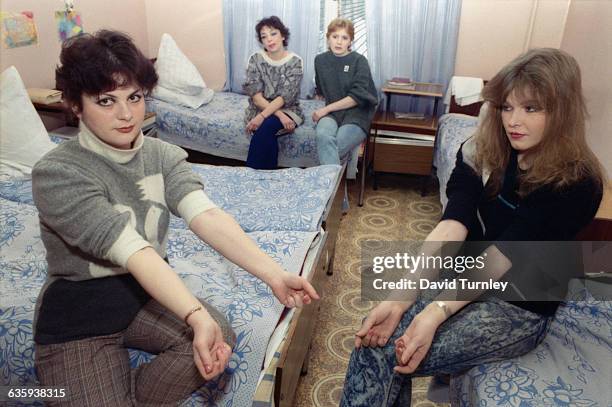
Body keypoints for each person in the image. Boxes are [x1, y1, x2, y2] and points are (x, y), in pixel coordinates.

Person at [31, 30, 318, 406]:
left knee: (218, 336)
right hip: (79, 319)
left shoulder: (161, 155)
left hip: (140, 296)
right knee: (202, 326)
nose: (126, 114)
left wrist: (273, 273)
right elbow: (134, 250)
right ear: (75, 105)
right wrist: (195, 313)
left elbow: (207, 216)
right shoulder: (58, 173)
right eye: (106, 101)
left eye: (134, 97)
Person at [340, 48, 604, 406]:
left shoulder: (577, 182)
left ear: (562, 112)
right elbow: (453, 224)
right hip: (469, 271)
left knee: (387, 352)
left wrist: (434, 313)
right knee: (378, 335)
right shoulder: (484, 150)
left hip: (519, 305)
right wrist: (400, 297)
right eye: (507, 107)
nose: (514, 121)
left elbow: (504, 256)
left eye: (531, 109)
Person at [312, 18, 378, 169]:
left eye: (344, 38)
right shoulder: (320, 60)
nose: (339, 42)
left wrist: (325, 109)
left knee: (334, 146)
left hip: (357, 113)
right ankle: (338, 192)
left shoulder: (359, 61)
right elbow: (320, 89)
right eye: (335, 37)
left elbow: (357, 97)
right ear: (328, 38)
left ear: (350, 41)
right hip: (333, 114)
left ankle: (329, 190)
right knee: (323, 136)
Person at [243, 16, 304, 169]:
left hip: (288, 108)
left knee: (265, 127)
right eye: (264, 37)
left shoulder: (295, 61)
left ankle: (251, 174)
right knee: (267, 127)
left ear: (283, 35)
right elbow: (256, 97)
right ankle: (270, 178)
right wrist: (278, 115)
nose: (269, 39)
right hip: (260, 108)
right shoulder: (255, 59)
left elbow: (285, 97)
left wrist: (265, 116)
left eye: (273, 34)